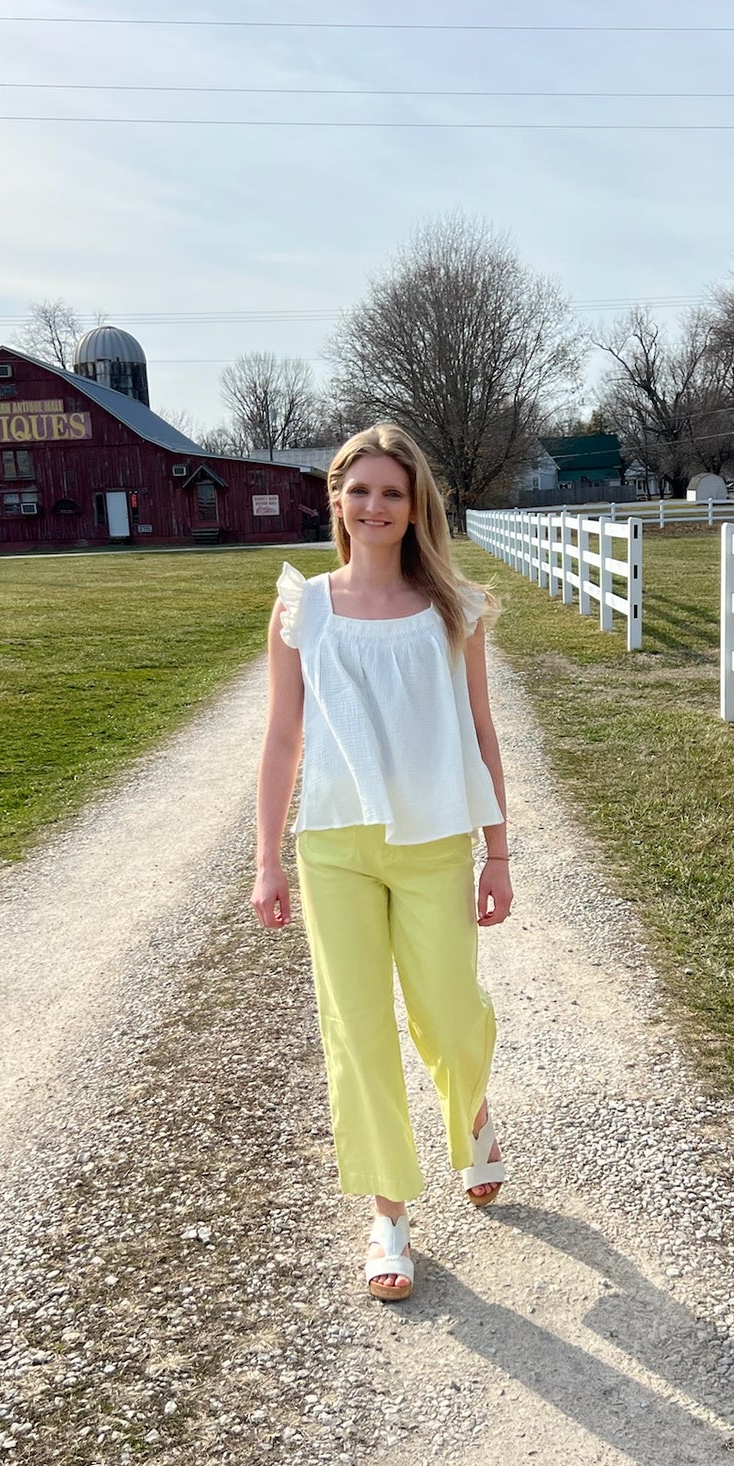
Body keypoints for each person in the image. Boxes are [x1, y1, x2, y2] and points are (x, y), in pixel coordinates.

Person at [250, 423, 513, 1301]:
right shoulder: (302, 607)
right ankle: (390, 1214)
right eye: (358, 491)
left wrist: (497, 853)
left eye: (391, 493)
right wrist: (266, 858)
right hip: (334, 847)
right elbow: (282, 736)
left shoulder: (453, 608)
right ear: (335, 500)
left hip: (435, 839)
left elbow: (482, 733)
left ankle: (470, 1114)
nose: (374, 506)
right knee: (357, 1032)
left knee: (445, 1010)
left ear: (415, 506)